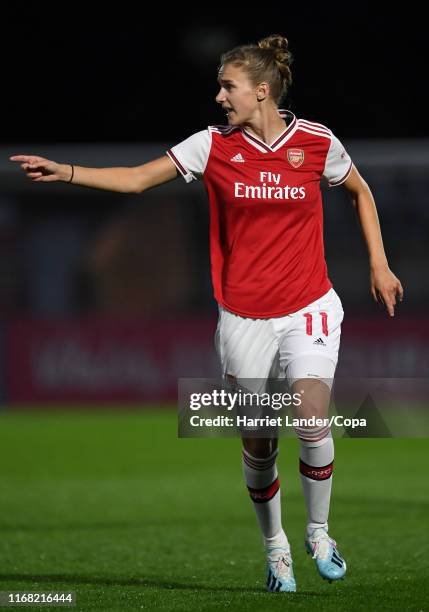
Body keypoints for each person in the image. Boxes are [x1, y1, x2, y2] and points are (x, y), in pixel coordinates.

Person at [10, 34, 403, 594]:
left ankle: (319, 532)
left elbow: (360, 191)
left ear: (261, 91)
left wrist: (379, 264)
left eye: (228, 86)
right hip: (243, 317)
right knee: (259, 441)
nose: (219, 96)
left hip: (309, 305)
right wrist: (68, 171)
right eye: (220, 86)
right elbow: (138, 179)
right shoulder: (210, 146)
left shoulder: (316, 143)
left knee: (312, 417)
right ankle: (276, 550)